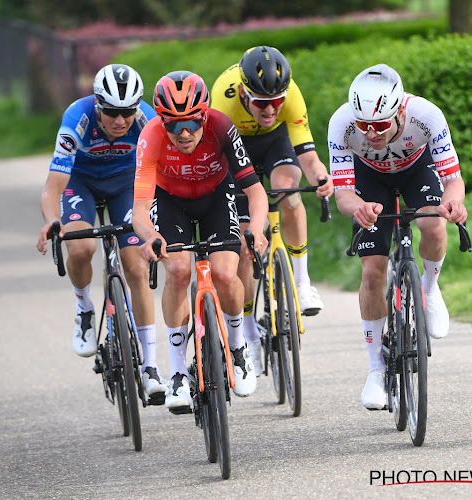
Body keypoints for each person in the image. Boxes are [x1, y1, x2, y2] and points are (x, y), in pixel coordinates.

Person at [327, 64, 467, 410]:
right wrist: (358, 207)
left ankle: (430, 291)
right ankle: (376, 368)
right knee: (373, 272)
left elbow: (453, 180)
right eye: (364, 126)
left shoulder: (427, 116)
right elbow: (343, 194)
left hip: (416, 169)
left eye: (379, 125)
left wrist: (454, 203)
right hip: (368, 178)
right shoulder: (342, 123)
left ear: (400, 110)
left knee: (433, 224)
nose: (371, 134)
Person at [132, 70, 269, 412]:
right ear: (160, 121)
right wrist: (150, 237)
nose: (184, 133)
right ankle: (178, 371)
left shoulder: (222, 127)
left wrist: (259, 228)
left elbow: (254, 190)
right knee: (178, 271)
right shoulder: (149, 137)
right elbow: (138, 210)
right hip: (171, 201)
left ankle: (238, 349)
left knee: (225, 275)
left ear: (204, 115)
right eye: (172, 124)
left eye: (192, 122)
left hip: (216, 197)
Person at [35, 64, 167, 401]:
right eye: (111, 112)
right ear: (97, 105)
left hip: (126, 185)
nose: (120, 121)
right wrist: (53, 221)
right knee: (81, 248)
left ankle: (151, 366)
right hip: (81, 182)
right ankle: (84, 309)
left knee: (136, 265)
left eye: (127, 112)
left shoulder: (146, 121)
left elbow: (163, 176)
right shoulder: (76, 119)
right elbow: (53, 188)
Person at [210, 45, 334, 376]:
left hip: (275, 142)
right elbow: (217, 164)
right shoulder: (224, 97)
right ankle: (248, 331)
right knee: (243, 248)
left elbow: (307, 155)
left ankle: (303, 281)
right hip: (235, 147)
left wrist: (320, 177)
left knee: (290, 192)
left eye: (276, 103)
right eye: (262, 103)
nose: (270, 109)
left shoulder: (289, 94)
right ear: (245, 93)